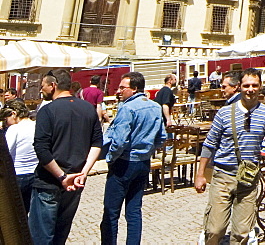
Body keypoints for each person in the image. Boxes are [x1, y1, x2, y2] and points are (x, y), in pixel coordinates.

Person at [196, 69, 265, 245]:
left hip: (248, 180)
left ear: (260, 87)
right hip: (223, 176)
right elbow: (209, 144)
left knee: (242, 233)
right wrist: (200, 174)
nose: (250, 89)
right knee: (215, 229)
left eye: (254, 85)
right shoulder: (225, 113)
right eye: (246, 85)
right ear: (239, 87)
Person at [29, 68, 103, 245]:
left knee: (41, 237)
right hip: (75, 181)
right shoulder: (87, 108)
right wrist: (83, 172)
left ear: (53, 85)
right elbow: (97, 144)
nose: (41, 89)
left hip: (50, 182)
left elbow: (41, 149)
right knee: (60, 234)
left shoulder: (48, 111)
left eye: (43, 86)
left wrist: (62, 176)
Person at [100, 71, 167, 245]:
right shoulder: (155, 107)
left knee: (111, 212)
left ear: (135, 88)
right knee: (134, 211)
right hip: (143, 162)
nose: (119, 90)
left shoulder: (128, 108)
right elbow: (161, 137)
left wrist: (111, 157)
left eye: (123, 87)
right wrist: (147, 149)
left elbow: (120, 141)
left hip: (125, 163)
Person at [3, 99, 37, 215]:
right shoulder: (36, 125)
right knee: (27, 210)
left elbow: (5, 151)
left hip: (18, 174)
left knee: (14, 213)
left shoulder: (14, 129)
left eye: (6, 119)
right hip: (34, 173)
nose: (6, 123)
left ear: (14, 114)